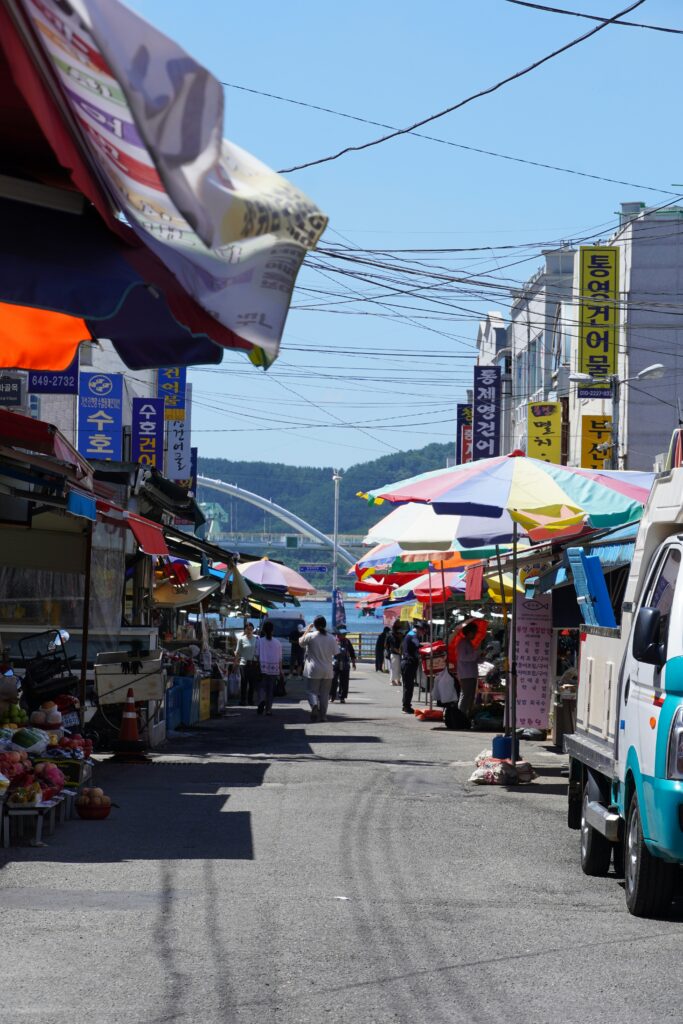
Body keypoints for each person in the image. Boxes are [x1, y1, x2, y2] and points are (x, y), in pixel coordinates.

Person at [299, 615, 338, 722]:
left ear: (315, 625)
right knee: (325, 695)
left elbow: (301, 642)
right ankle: (323, 716)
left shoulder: (311, 636)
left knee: (311, 691)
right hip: (327, 670)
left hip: (313, 669)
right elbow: (336, 653)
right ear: (325, 625)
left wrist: (307, 629)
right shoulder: (331, 637)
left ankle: (314, 705)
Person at [454, 622, 482, 718]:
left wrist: (481, 655)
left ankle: (466, 715)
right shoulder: (462, 643)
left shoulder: (469, 643)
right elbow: (463, 657)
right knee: (466, 695)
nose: (475, 635)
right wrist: (476, 654)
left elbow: (473, 658)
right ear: (469, 632)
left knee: (470, 696)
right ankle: (460, 715)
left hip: (471, 673)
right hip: (466, 674)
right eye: (474, 632)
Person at [255, 620, 282, 716]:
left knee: (261, 687)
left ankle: (261, 700)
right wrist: (281, 671)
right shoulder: (278, 643)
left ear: (263, 630)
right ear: (273, 630)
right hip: (274, 669)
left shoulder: (259, 641)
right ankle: (268, 710)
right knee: (270, 690)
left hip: (262, 668)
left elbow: (257, 655)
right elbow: (279, 659)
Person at [233, 621, 259, 706]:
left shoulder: (257, 638)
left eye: (251, 629)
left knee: (252, 683)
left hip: (254, 663)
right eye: (247, 629)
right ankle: (243, 700)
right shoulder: (241, 639)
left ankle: (250, 700)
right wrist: (235, 663)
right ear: (244, 630)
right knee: (244, 682)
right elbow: (238, 652)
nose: (249, 631)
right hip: (244, 664)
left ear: (253, 630)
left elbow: (259, 651)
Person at [400, 622, 423, 714]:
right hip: (408, 663)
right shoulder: (413, 636)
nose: (423, 633)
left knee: (408, 686)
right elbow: (418, 645)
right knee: (409, 686)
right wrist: (428, 644)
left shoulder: (409, 634)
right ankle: (406, 706)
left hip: (406, 662)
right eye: (423, 631)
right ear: (420, 629)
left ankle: (406, 705)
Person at [331, 627, 356, 703]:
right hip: (334, 664)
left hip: (345, 664)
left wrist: (354, 663)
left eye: (345, 634)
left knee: (344, 681)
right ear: (338, 634)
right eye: (343, 634)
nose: (344, 635)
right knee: (333, 680)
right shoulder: (333, 641)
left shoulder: (347, 642)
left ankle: (342, 697)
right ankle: (332, 696)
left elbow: (352, 653)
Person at [387, 622, 403, 686]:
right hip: (395, 653)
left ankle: (396, 680)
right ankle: (393, 680)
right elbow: (392, 646)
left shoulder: (391, 635)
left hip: (395, 653)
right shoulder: (393, 636)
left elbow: (386, 645)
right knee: (395, 668)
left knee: (396, 668)